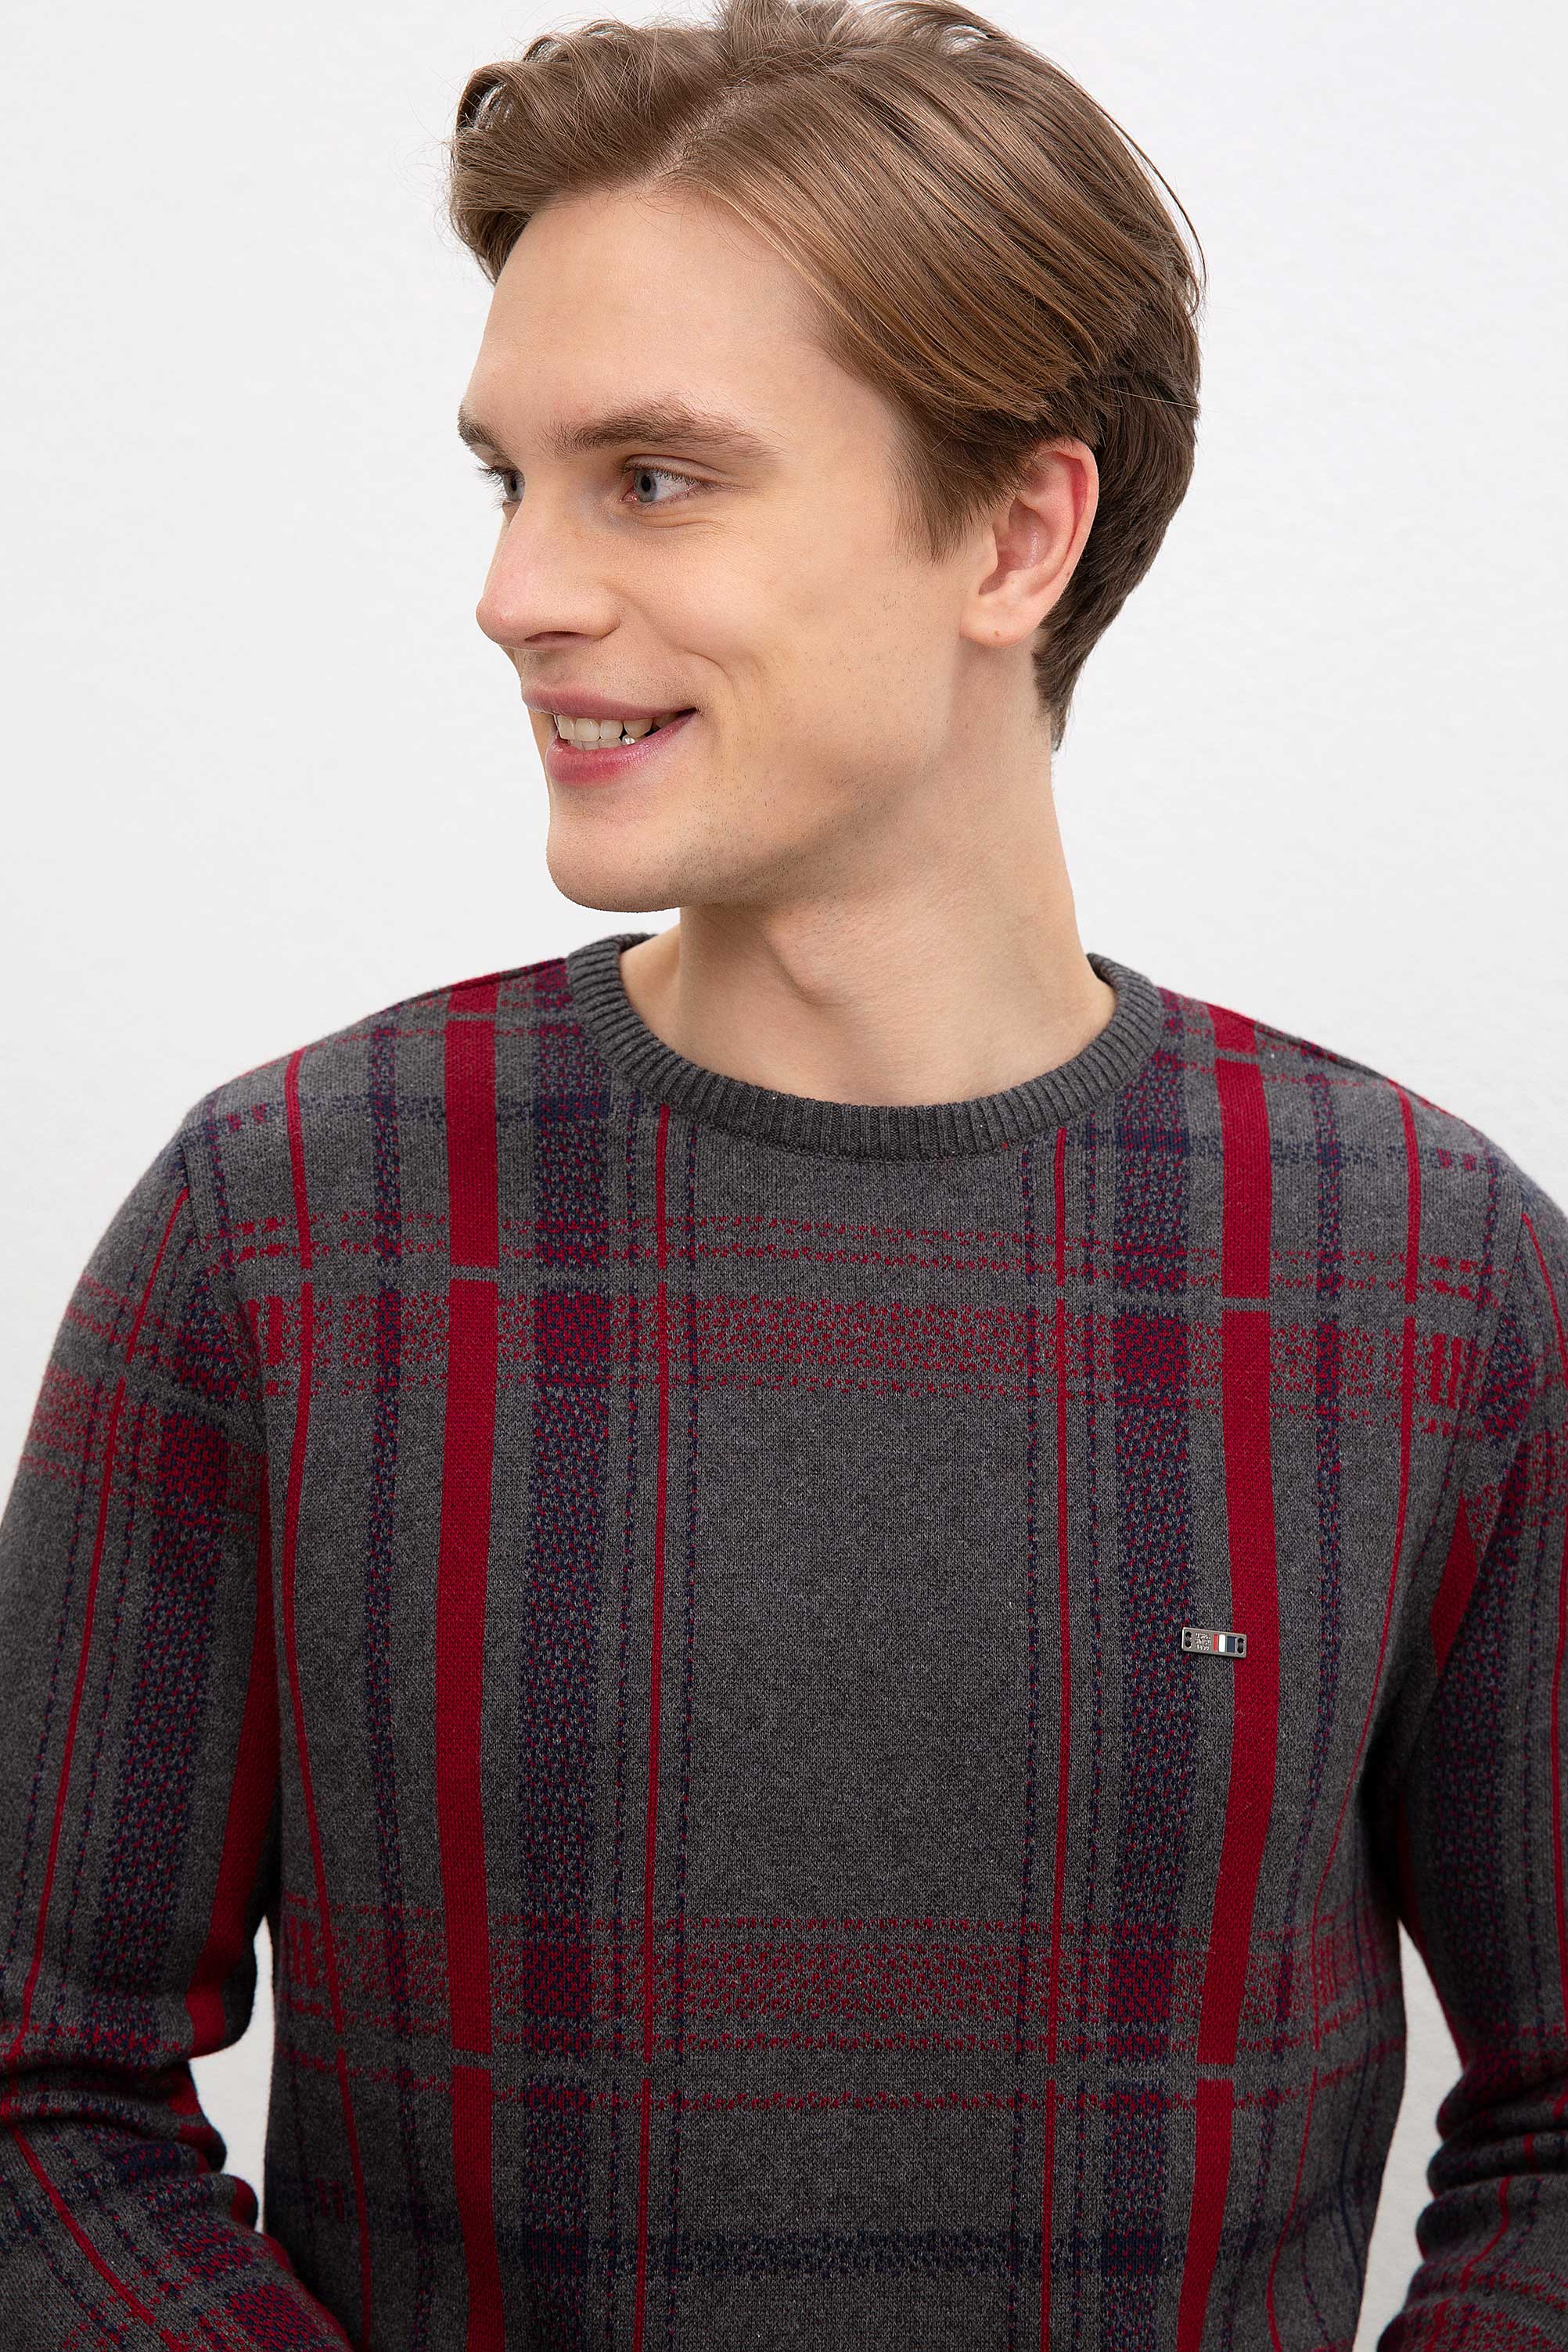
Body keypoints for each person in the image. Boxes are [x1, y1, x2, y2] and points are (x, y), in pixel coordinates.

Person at [2, 0, 1563, 2343]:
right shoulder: (285, 1228)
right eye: (508, 479)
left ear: (1017, 535)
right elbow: (40, 2095)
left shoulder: (1425, 1275)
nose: (517, 591)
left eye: (651, 478)